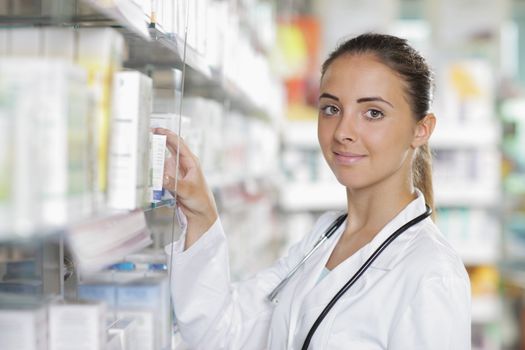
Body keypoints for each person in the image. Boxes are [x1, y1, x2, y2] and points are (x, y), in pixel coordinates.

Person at [155, 33, 471, 349]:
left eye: (373, 113)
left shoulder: (432, 273)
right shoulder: (325, 236)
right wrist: (202, 212)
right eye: (331, 109)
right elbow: (222, 332)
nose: (344, 132)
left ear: (421, 129)